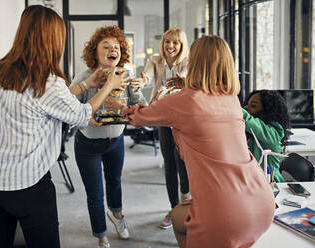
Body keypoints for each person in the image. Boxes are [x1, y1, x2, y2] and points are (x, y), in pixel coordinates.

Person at [0, 6, 125, 248]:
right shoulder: (49, 82)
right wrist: (108, 86)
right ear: (52, 40)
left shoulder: (2, 72)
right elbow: (82, 114)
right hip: (27, 186)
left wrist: (86, 83)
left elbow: (46, 103)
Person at [117, 35, 275, 247]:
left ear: (195, 62)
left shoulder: (184, 100)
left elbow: (137, 117)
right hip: (262, 201)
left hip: (226, 211)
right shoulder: (231, 100)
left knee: (178, 219)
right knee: (179, 214)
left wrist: (118, 106)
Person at [71, 25, 147, 248]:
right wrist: (86, 119)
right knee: (94, 193)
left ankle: (117, 215)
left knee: (115, 182)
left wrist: (137, 96)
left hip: (116, 141)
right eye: (106, 46)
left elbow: (138, 104)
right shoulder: (84, 77)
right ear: (95, 52)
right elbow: (70, 110)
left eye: (116, 47)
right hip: (88, 144)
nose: (112, 50)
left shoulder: (127, 74)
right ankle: (101, 236)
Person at [130, 27, 190, 229]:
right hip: (164, 117)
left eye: (175, 42)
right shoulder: (156, 60)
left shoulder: (188, 63)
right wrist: (142, 81)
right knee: (169, 164)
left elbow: (190, 84)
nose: (170, 46)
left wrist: (173, 86)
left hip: (183, 119)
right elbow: (146, 76)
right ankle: (174, 209)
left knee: (182, 161)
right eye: (167, 41)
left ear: (181, 45)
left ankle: (187, 205)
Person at [243, 90, 289, 182]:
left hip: (271, 183)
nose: (245, 107)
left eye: (253, 106)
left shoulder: (274, 133)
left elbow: (249, 121)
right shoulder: (250, 132)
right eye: (247, 104)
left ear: (267, 111)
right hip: (254, 181)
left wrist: (231, 105)